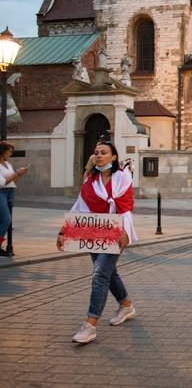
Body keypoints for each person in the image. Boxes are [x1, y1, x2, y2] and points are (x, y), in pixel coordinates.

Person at [56, 140, 137, 343]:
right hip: (94, 232)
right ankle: (126, 305)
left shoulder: (122, 177)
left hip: (116, 231)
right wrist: (63, 231)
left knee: (100, 274)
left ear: (114, 157)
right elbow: (79, 206)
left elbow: (125, 206)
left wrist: (125, 231)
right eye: (96, 152)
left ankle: (90, 325)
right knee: (109, 273)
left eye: (104, 152)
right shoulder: (90, 181)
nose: (99, 155)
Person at [0, 142, 28, 256]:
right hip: (1, 192)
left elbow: (12, 181)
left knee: (4, 220)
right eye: (9, 151)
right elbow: (2, 183)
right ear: (2, 152)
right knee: (6, 219)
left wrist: (20, 174)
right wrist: (17, 172)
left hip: (10, 192)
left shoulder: (8, 164)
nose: (11, 154)